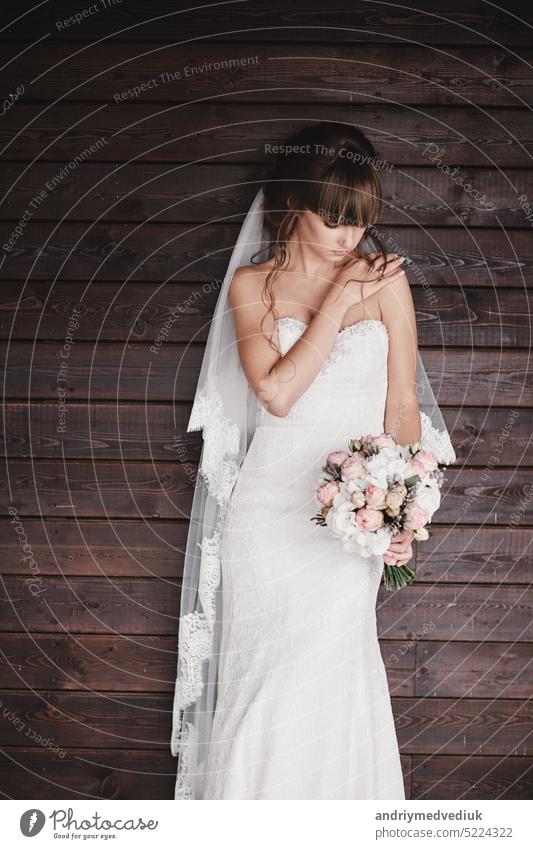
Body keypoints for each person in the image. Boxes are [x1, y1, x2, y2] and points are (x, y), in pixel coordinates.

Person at [170, 122, 456, 800]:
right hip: (265, 522)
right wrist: (335, 302)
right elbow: (275, 392)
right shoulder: (254, 285)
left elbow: (401, 407)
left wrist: (399, 509)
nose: (346, 238)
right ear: (292, 204)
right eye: (332, 219)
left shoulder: (385, 282)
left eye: (359, 222)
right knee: (262, 680)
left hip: (344, 524)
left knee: (331, 673)